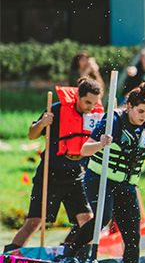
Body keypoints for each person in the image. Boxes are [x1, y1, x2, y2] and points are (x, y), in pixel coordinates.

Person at [59, 82, 145, 263]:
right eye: (140, 111)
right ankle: (68, 255)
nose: (143, 115)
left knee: (133, 236)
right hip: (100, 178)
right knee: (102, 218)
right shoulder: (113, 121)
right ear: (130, 107)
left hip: (127, 185)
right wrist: (101, 143)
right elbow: (85, 149)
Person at [3, 78, 104, 252]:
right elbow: (32, 135)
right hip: (50, 174)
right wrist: (42, 123)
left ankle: (86, 260)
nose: (91, 107)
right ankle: (7, 259)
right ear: (78, 97)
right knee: (34, 222)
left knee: (87, 219)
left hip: (75, 173)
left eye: (94, 103)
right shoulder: (57, 109)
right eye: (88, 102)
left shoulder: (93, 116)